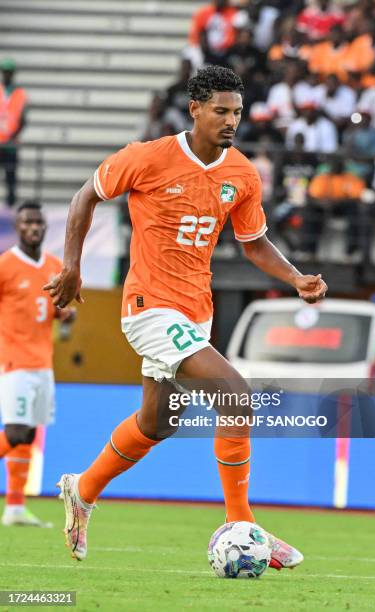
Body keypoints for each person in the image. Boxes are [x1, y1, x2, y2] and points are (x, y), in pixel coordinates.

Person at [44, 66, 327, 564]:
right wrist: (72, 267)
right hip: (148, 307)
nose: (230, 121)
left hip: (196, 311)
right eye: (220, 111)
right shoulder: (146, 157)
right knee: (236, 395)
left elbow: (254, 243)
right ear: (195, 109)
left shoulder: (241, 173)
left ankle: (82, 490)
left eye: (237, 112)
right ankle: (243, 524)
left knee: (158, 423)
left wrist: (296, 277)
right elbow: (85, 196)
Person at [0, 201, 75, 526]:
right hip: (14, 362)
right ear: (18, 227)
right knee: (15, 431)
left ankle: (15, 507)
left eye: (39, 222)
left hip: (43, 364)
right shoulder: (5, 266)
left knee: (28, 434)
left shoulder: (56, 268)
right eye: (28, 222)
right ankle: (14, 506)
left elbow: (64, 321)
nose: (34, 227)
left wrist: (70, 317)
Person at [0, 59, 28, 207]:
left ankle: (10, 208)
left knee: (11, 179)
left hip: (10, 145)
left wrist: (12, 136)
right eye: (4, 72)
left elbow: (23, 120)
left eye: (9, 72)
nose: (6, 75)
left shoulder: (19, 94)